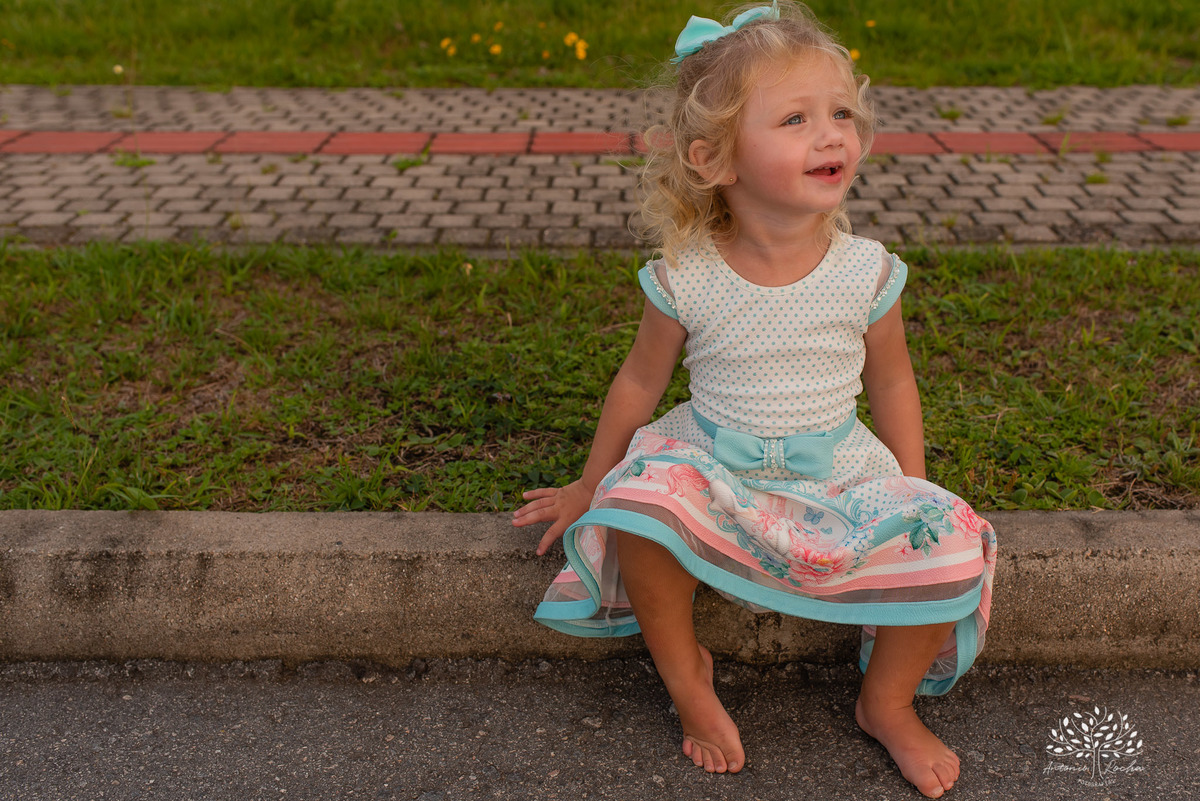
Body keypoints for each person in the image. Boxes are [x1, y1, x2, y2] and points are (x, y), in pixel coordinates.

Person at [512, 2, 996, 797]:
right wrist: (588, 482)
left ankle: (888, 702)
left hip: (836, 470)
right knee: (636, 509)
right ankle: (687, 680)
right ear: (715, 158)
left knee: (951, 545)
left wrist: (913, 485)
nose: (832, 133)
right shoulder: (685, 274)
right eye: (797, 118)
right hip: (709, 462)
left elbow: (893, 380)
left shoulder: (867, 271)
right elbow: (638, 382)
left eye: (842, 112)